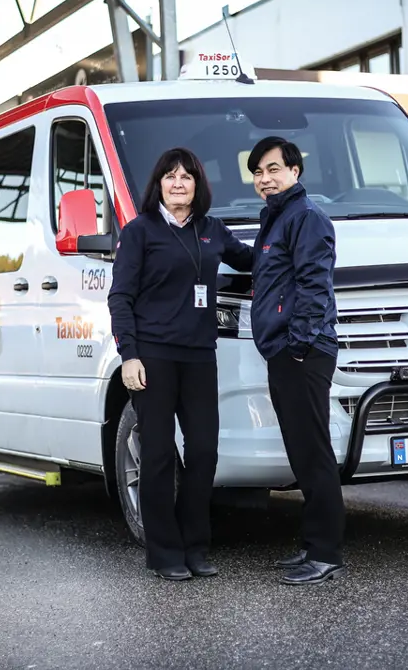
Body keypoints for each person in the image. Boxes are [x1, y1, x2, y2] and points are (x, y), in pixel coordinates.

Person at [108, 147, 253, 581]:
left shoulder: (211, 231)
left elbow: (250, 260)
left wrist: (289, 240)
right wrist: (128, 354)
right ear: (158, 184)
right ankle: (165, 552)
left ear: (197, 185)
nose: (177, 183)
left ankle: (196, 546)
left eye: (186, 177)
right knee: (156, 456)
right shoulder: (140, 232)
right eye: (169, 176)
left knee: (205, 451)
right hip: (152, 357)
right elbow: (121, 297)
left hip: (199, 356)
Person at [246, 135, 345, 586]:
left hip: (301, 350)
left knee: (313, 451)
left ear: (294, 172)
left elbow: (314, 286)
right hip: (284, 349)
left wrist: (299, 344)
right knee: (301, 453)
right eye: (258, 172)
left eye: (273, 170)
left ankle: (325, 553)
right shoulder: (277, 218)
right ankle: (312, 546)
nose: (265, 179)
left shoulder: (306, 217)